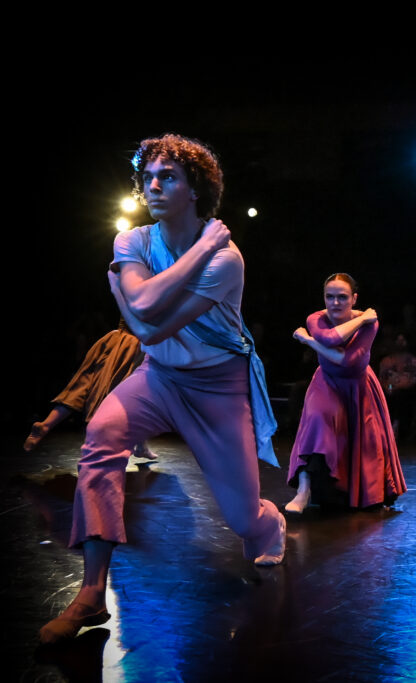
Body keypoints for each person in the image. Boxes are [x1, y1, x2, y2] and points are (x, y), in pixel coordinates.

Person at [39, 134, 286, 644]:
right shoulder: (133, 240)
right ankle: (91, 593)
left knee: (241, 516)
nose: (153, 185)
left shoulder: (228, 259)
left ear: (195, 189)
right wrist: (197, 252)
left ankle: (269, 525)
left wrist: (126, 293)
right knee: (101, 438)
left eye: (167, 176)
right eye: (148, 176)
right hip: (159, 377)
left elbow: (147, 319)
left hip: (218, 388)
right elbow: (148, 313)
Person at [286, 274, 407, 512]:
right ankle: (303, 490)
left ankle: (361, 493)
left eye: (342, 297)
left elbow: (347, 359)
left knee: (366, 440)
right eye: (329, 297)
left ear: (354, 298)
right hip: (327, 381)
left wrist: (307, 341)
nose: (335, 303)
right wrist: (358, 321)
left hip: (358, 385)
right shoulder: (317, 318)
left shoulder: (371, 323)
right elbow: (329, 338)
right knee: (317, 421)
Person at [24, 322, 157, 467]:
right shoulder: (150, 300)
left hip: (112, 339)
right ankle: (101, 446)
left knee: (81, 387)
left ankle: (46, 424)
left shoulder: (128, 299)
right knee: (129, 395)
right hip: (131, 346)